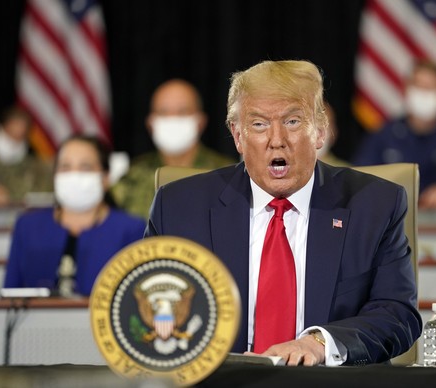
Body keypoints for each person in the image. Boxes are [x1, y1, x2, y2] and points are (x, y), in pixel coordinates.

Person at [146, 60, 421, 366]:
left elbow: (397, 315)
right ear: (238, 136)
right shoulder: (179, 207)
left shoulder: (375, 204)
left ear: (319, 132)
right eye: (259, 124)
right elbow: (145, 305)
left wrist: (319, 343)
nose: (277, 140)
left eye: (292, 122)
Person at [3, 135, 146, 297]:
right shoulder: (27, 227)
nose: (74, 175)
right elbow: (8, 298)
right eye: (65, 167)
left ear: (105, 178)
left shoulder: (132, 229)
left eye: (85, 167)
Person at [352, 59, 436, 208]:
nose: (424, 93)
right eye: (418, 86)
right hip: (394, 220)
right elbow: (359, 178)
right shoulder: (384, 133)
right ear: (406, 90)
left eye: (430, 87)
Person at [110, 79, 237, 219]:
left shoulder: (228, 174)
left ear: (201, 122)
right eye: (163, 112)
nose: (172, 119)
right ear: (150, 123)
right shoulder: (131, 178)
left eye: (182, 112)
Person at [0, 106, 53, 207]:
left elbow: (45, 198)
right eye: (10, 135)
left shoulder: (37, 168)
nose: (13, 143)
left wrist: (11, 196)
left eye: (19, 137)